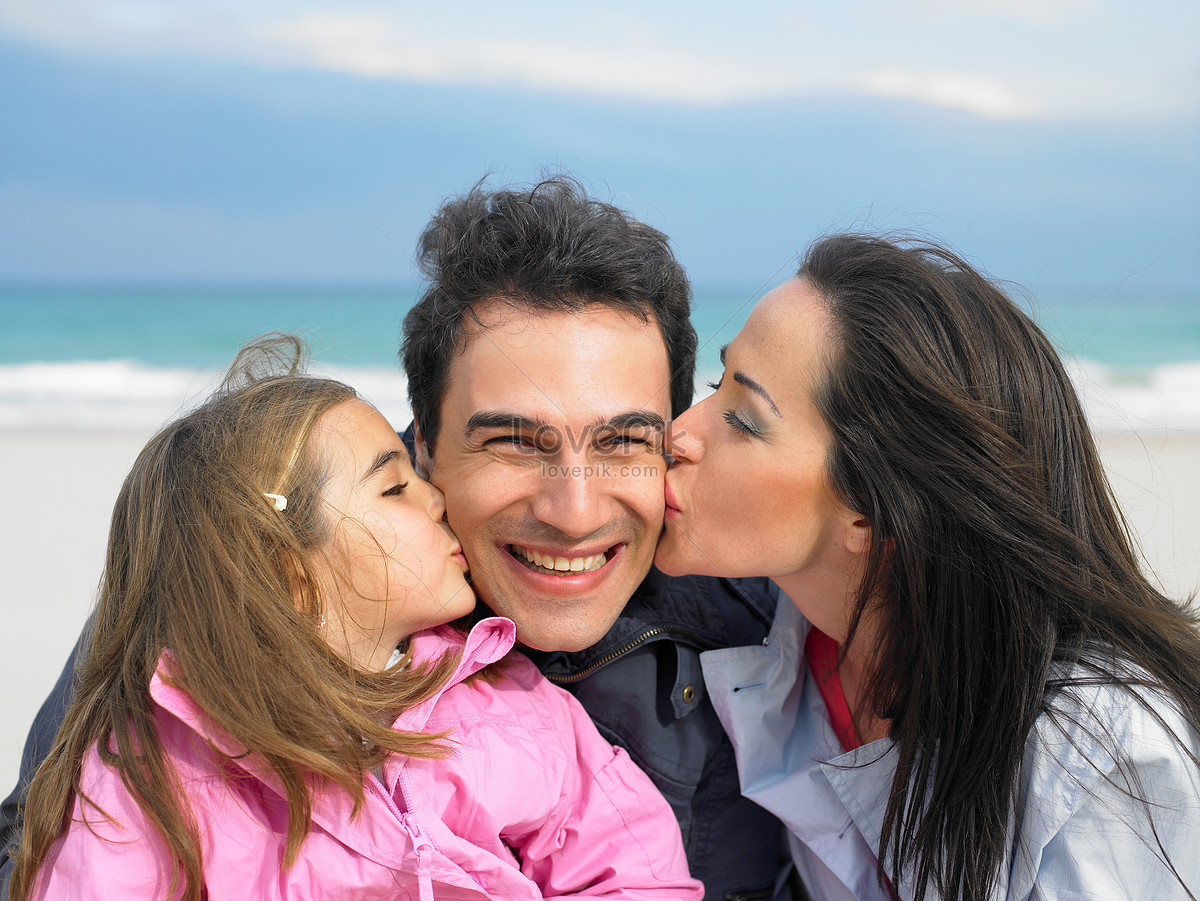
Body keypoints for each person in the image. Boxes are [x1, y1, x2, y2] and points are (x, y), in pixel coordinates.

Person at [0, 178, 788, 901]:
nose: (574, 512)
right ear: (424, 446)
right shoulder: (224, 603)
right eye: (516, 440)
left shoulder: (759, 611)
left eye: (621, 442)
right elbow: (39, 848)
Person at [9, 337, 702, 900]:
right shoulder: (156, 774)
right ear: (290, 575)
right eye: (395, 485)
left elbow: (633, 865)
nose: (434, 499)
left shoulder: (505, 704)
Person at [655, 232, 1200, 900]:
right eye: (715, 383)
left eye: (743, 417)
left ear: (871, 509)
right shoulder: (786, 643)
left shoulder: (1096, 754)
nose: (677, 432)